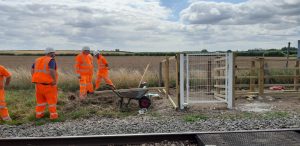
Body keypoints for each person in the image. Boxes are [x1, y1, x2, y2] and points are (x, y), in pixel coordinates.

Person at [31, 47, 58, 120]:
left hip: (38, 85)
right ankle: (53, 117)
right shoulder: (51, 60)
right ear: (51, 53)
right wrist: (54, 80)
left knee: (40, 102)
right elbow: (52, 70)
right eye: (54, 53)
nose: (54, 54)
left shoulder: (38, 60)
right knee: (52, 101)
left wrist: (34, 77)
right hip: (48, 85)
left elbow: (32, 69)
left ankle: (39, 115)